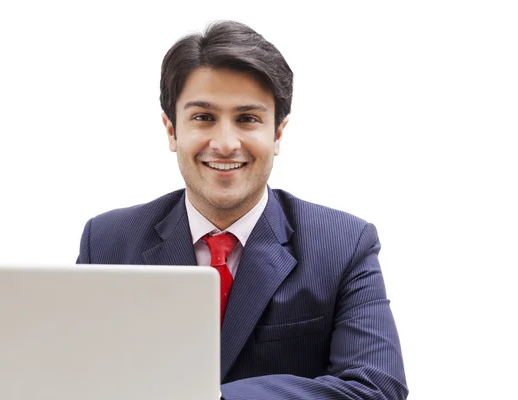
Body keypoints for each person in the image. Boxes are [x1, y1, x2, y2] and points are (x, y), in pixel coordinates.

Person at [76, 20, 408, 400]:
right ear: (171, 130)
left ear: (277, 133)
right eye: (203, 118)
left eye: (247, 119)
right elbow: (73, 375)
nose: (225, 143)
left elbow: (375, 388)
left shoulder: (344, 244)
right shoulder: (106, 243)